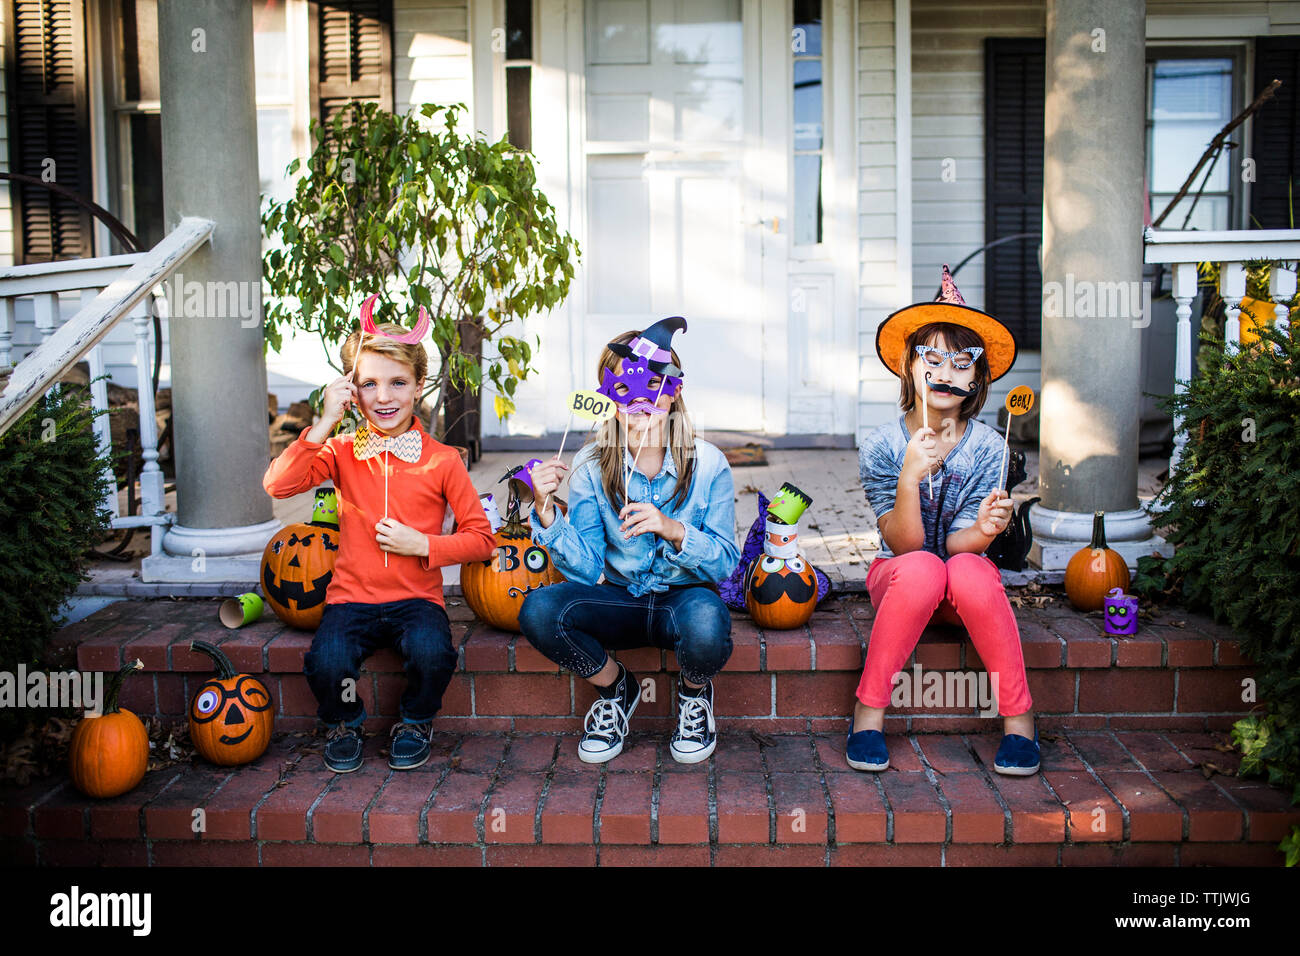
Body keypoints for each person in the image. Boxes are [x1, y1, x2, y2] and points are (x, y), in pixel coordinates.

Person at [263, 318, 495, 773]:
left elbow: (482, 540)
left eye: (397, 382)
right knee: (326, 661)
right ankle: (343, 722)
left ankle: (414, 720)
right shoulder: (341, 451)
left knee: (433, 654)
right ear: (351, 389)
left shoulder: (443, 460)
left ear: (419, 385)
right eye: (369, 384)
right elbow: (277, 484)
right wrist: (325, 421)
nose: (384, 397)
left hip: (416, 599)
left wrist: (424, 544)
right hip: (351, 599)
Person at [518, 318, 741, 765]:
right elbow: (586, 569)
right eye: (623, 389)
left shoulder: (710, 464)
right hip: (617, 599)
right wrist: (546, 512)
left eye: (653, 386)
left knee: (708, 626)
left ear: (674, 391)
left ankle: (694, 695)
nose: (640, 401)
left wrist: (673, 529)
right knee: (539, 610)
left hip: (683, 598)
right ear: (608, 400)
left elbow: (724, 564)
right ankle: (617, 687)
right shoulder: (589, 466)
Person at [850, 266, 1039, 775]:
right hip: (900, 580)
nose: (947, 372)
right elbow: (906, 544)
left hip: (960, 588)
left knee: (968, 570)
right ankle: (868, 717)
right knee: (923, 569)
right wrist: (909, 477)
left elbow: (961, 550)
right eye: (932, 358)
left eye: (962, 362)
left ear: (977, 378)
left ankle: (1019, 722)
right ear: (909, 368)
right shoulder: (883, 446)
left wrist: (985, 530)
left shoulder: (987, 448)